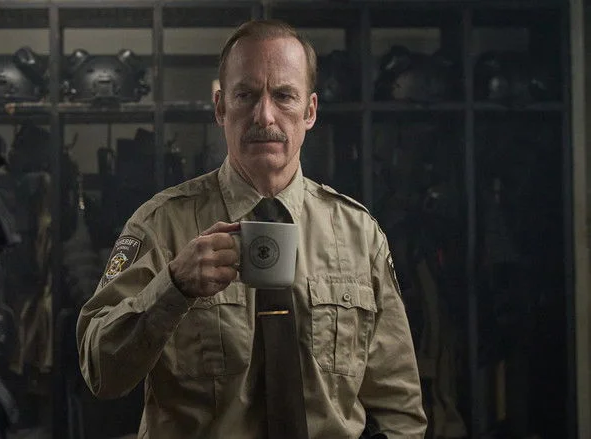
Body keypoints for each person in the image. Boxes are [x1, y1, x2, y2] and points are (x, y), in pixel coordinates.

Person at [76, 19, 427, 439]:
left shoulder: (358, 235)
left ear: (310, 111)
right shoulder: (161, 225)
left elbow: (399, 409)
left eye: (284, 96)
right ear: (220, 107)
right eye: (246, 95)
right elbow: (101, 372)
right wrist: (173, 287)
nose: (264, 115)